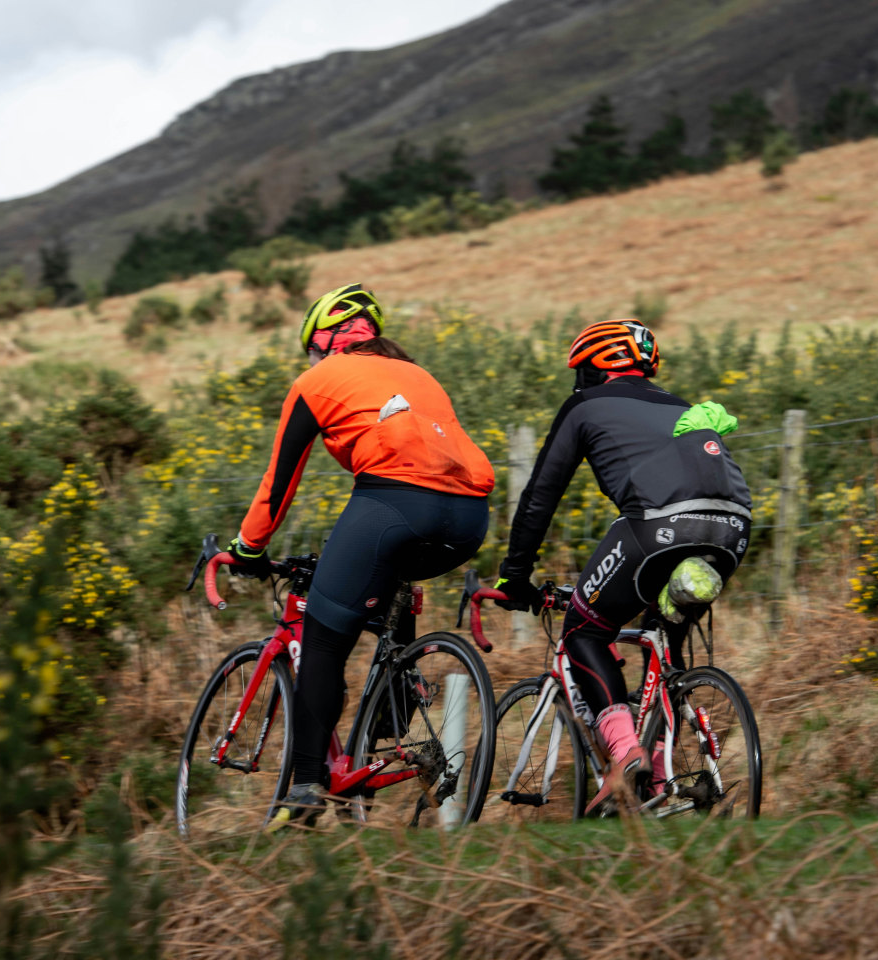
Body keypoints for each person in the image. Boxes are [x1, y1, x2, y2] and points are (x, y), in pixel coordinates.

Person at [227, 283, 495, 828]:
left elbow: (281, 482)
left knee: (324, 638)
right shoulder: (420, 374)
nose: (310, 359)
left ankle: (304, 789)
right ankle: (389, 712)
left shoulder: (316, 380)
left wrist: (248, 547)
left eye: (311, 349)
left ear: (325, 341)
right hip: (469, 519)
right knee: (382, 593)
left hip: (391, 506)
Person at [494, 318, 751, 814]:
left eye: (581, 372)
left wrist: (515, 573)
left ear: (597, 365)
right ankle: (660, 774)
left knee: (585, 631)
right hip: (731, 533)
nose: (578, 383)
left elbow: (541, 496)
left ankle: (625, 751)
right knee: (664, 637)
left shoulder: (586, 405)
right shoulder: (680, 406)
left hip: (657, 530)